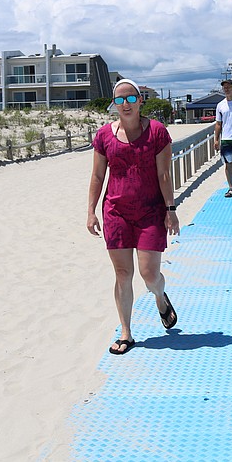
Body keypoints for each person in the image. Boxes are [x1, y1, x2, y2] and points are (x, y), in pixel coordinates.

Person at [87, 79, 180, 355]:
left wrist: (170, 210)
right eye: (119, 100)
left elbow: (164, 175)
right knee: (123, 273)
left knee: (149, 274)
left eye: (130, 99)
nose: (125, 104)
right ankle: (126, 332)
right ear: (113, 104)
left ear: (140, 101)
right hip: (116, 212)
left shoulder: (157, 133)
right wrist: (91, 211)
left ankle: (160, 298)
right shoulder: (104, 135)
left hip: (151, 211)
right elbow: (97, 175)